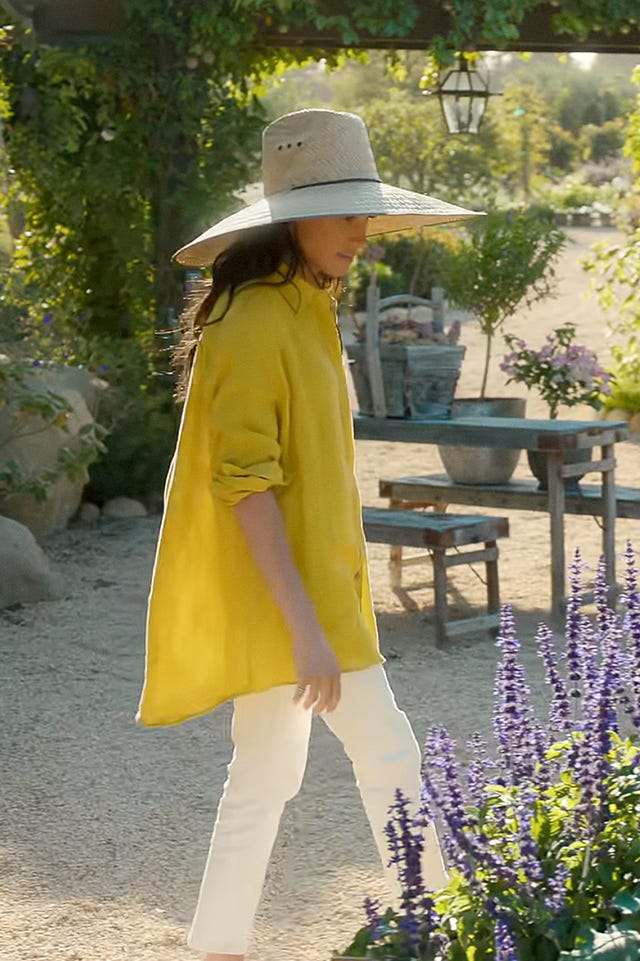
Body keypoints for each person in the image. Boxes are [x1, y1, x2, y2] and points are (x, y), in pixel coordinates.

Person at [137, 108, 479, 960]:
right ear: (293, 217)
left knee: (265, 774)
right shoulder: (254, 320)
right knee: (390, 756)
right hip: (296, 598)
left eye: (366, 212)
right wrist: (305, 629)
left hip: (305, 589)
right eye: (346, 212)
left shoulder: (302, 306)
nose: (362, 233)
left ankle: (216, 942)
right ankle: (462, 932)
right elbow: (244, 486)